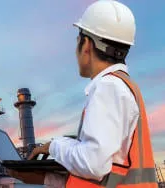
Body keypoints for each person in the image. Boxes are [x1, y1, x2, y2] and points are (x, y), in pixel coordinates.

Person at [8, 0, 158, 187]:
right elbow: (107, 175)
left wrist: (53, 146)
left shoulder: (108, 87)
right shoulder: (124, 86)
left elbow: (93, 165)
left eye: (77, 41)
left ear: (86, 44)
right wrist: (45, 178)